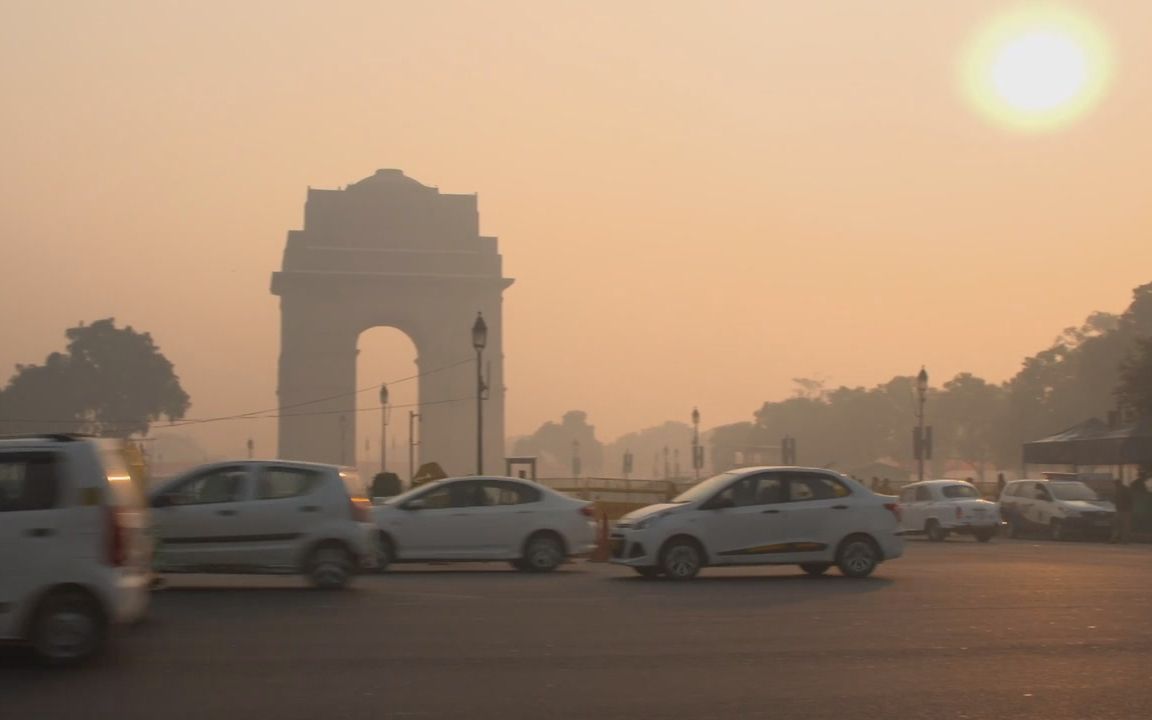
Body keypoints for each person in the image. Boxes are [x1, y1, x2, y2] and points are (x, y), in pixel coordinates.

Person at [1111, 477, 1134, 544]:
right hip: (1122, 510)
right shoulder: (1122, 489)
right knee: (1122, 526)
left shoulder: (1122, 490)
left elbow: (1129, 500)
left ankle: (1119, 539)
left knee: (1120, 526)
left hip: (1123, 510)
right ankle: (1122, 540)